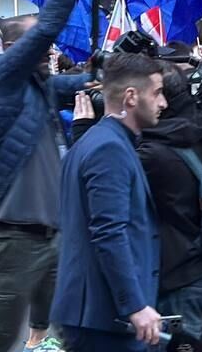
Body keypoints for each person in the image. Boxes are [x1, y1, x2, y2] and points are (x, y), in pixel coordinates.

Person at [0, 0, 95, 352]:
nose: (50, 51)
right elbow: (47, 26)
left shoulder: (38, 86)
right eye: (39, 46)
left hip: (50, 233)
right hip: (10, 236)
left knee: (60, 324)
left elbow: (83, 84)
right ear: (14, 50)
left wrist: (122, 71)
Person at [52, 53, 167, 352]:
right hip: (104, 318)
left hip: (97, 314)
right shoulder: (108, 148)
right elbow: (108, 232)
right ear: (131, 97)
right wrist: (135, 304)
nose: (163, 102)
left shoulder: (97, 141)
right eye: (156, 93)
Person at [138, 63, 202, 351]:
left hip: (173, 271)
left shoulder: (151, 153)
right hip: (200, 262)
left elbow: (102, 185)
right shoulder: (196, 131)